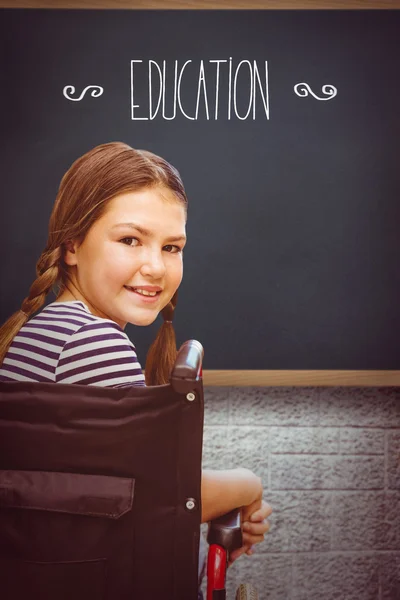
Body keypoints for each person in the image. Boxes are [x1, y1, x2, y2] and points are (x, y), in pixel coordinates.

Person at [0, 141, 271, 566]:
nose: (156, 267)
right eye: (130, 240)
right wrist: (248, 486)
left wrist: (222, 520)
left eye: (171, 247)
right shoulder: (92, 342)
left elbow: (117, 504)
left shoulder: (40, 331)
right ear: (72, 246)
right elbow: (164, 499)